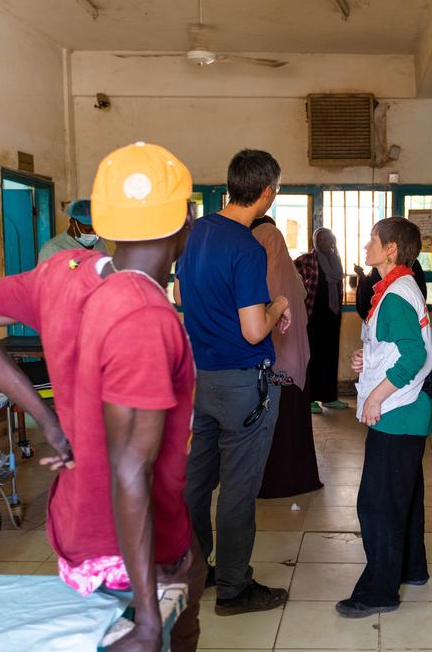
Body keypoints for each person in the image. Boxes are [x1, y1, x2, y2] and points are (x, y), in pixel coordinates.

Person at [0, 141, 205, 651]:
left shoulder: (64, 274)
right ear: (185, 219)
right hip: (129, 552)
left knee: (197, 573)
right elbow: (131, 473)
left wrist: (46, 418)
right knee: (180, 610)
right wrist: (147, 622)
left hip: (78, 528)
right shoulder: (145, 318)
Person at [173, 149, 291, 616]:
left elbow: (182, 295)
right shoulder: (246, 246)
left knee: (197, 482)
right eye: (276, 191)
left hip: (200, 378)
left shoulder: (197, 231)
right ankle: (235, 588)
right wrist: (278, 306)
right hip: (243, 384)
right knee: (238, 489)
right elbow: (252, 330)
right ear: (265, 193)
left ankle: (196, 570)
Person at [337, 217, 432, 618]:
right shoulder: (398, 286)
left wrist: (376, 395)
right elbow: (396, 346)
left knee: (377, 504)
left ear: (391, 249)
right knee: (403, 497)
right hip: (409, 412)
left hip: (397, 413)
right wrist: (369, 359)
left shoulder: (395, 294)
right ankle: (411, 568)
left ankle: (380, 591)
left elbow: (415, 355)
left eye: (373, 241)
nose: (366, 246)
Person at [251, 215, 324, 499]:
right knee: (290, 422)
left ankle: (273, 483)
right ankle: (298, 478)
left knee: (275, 423)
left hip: (275, 363)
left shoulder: (265, 277)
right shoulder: (290, 275)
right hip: (293, 363)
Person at [296, 228, 348, 413]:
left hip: (332, 316)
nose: (326, 243)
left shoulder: (336, 261)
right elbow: (291, 279)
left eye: (329, 239)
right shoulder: (307, 260)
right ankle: (309, 399)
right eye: (321, 239)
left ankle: (329, 397)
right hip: (313, 317)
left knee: (330, 356)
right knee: (312, 357)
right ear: (315, 242)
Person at [353, 257, 427, 319]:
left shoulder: (409, 265)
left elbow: (420, 294)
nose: (366, 247)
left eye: (374, 241)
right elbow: (365, 306)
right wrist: (362, 277)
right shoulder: (381, 265)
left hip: (398, 319)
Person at [38, 199, 109, 262]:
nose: (94, 234)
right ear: (72, 222)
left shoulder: (100, 245)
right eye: (88, 230)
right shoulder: (52, 250)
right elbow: (44, 276)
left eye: (97, 230)